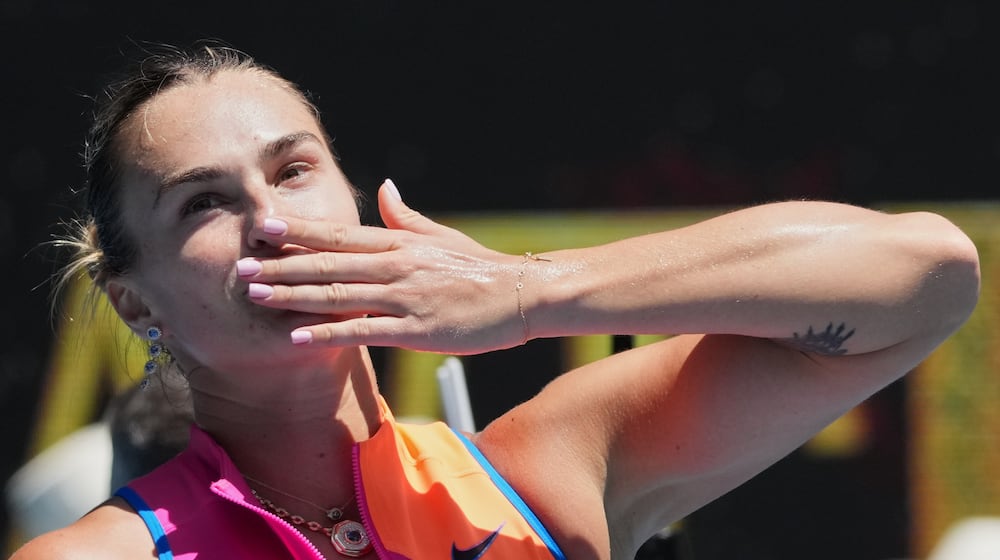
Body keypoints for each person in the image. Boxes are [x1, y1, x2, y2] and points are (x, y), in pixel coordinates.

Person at [11, 41, 980, 560]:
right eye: (203, 202)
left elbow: (927, 274)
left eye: (294, 169)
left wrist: (530, 292)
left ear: (359, 205)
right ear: (136, 306)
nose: (269, 218)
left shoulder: (551, 464)